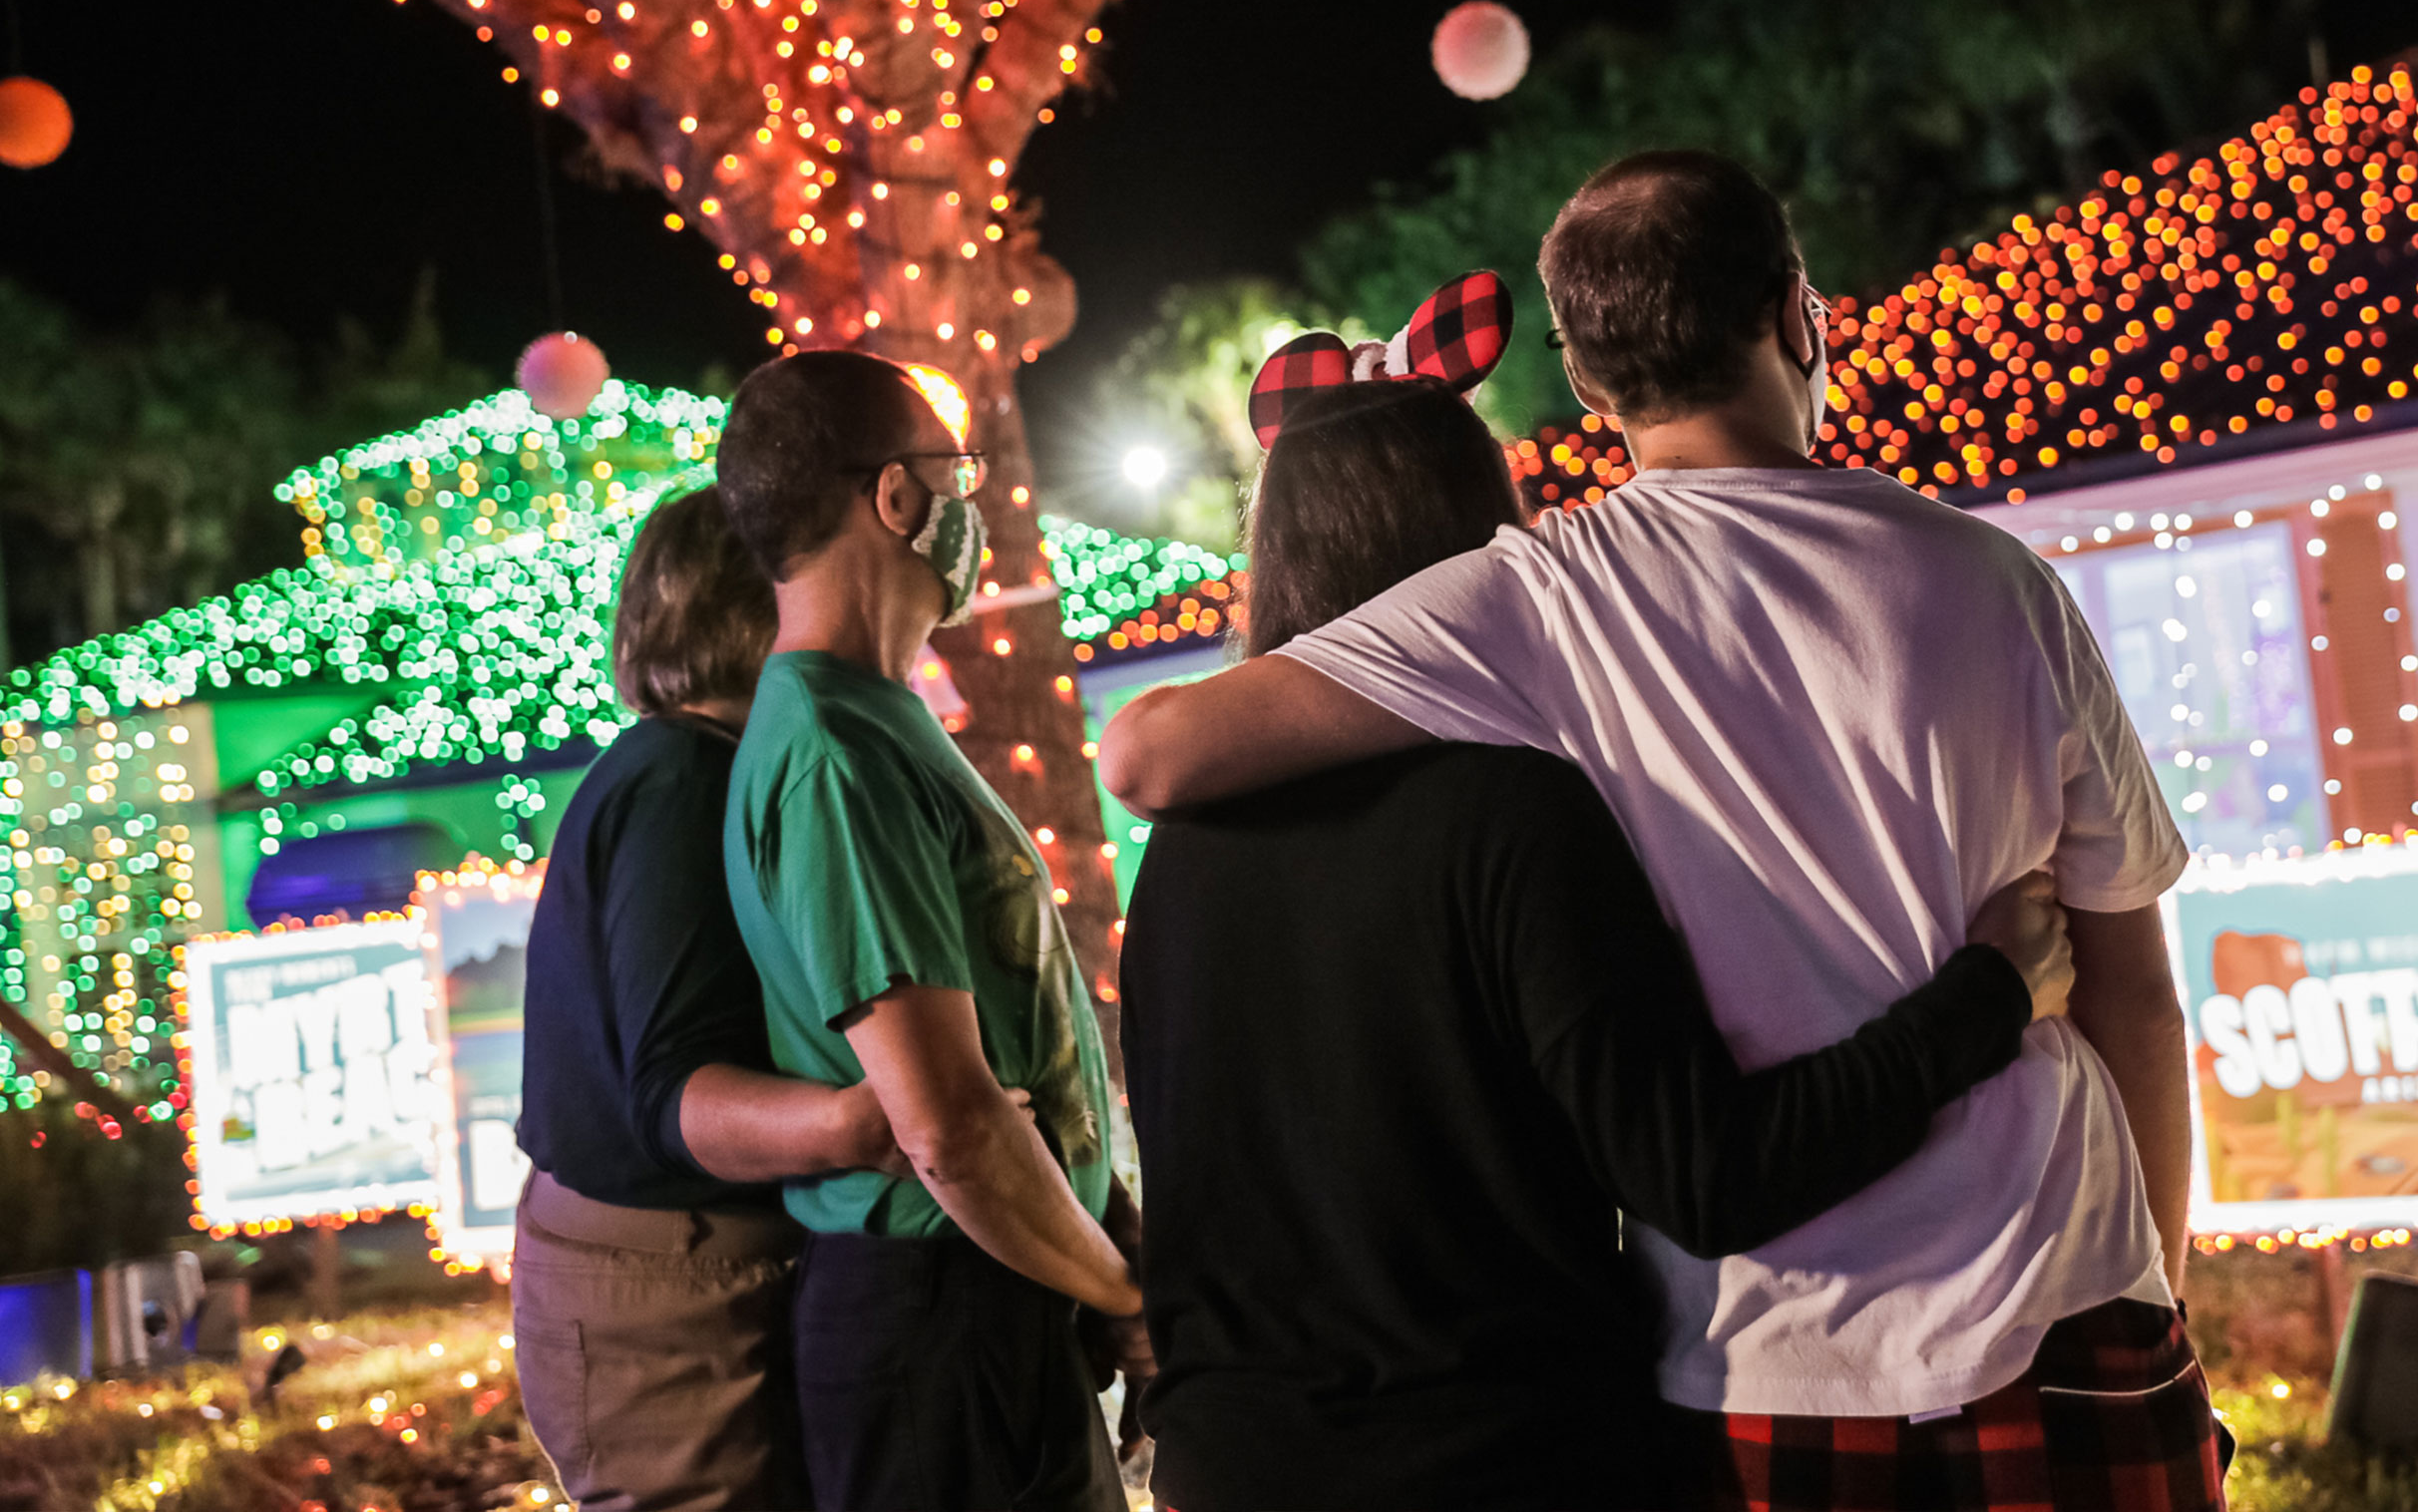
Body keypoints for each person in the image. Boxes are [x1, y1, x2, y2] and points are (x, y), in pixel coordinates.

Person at [1103, 151, 2224, 1512]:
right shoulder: (1996, 580)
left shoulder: (1535, 601)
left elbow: (1150, 748)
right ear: (1799, 314)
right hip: (2063, 1296)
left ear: (1586, 382)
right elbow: (2140, 997)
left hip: (1770, 1352)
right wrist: (2154, 1300)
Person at [715, 349, 1144, 1512]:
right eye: (956, 473)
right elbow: (947, 1122)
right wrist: (1120, 1293)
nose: (974, 507)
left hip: (990, 1290)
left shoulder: (876, 718)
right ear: (896, 498)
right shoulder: (832, 752)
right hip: (936, 1317)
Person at [513, 484, 903, 1512]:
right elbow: (677, 1089)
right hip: (664, 1281)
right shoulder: (680, 781)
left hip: (678, 1260)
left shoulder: (707, 766)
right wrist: (872, 1124)